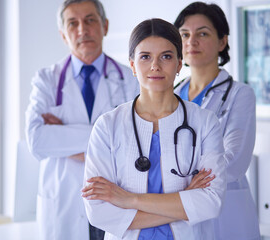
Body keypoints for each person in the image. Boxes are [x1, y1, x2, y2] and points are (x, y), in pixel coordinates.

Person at [81, 18, 226, 240]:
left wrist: (129, 200)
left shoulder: (205, 122)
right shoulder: (108, 126)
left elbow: (210, 203)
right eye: (145, 57)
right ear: (132, 65)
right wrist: (184, 200)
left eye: (166, 57)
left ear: (179, 64)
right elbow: (99, 212)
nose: (155, 66)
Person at [25, 0, 139, 239]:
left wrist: (63, 137)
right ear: (63, 34)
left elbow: (134, 144)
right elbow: (37, 141)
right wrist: (106, 140)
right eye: (72, 23)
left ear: (105, 25)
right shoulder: (46, 80)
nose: (82, 30)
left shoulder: (130, 80)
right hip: (64, 203)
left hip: (115, 200)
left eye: (90, 20)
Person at [173, 2, 260, 240]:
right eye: (184, 34)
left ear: (222, 42)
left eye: (203, 33)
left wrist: (176, 176)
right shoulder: (170, 95)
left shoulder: (240, 94)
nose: (192, 41)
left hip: (226, 211)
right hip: (180, 212)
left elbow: (235, 161)